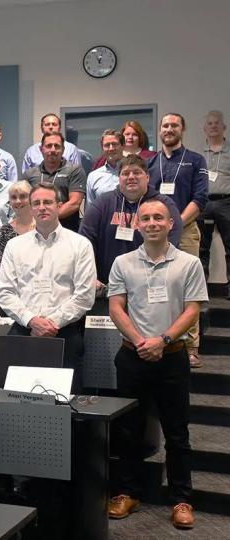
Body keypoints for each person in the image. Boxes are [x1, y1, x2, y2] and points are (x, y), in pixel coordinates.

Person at [106, 199, 206, 530]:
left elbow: (192, 310)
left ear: (170, 224)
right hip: (132, 357)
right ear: (138, 225)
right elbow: (117, 308)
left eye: (158, 218)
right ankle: (127, 493)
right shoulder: (122, 262)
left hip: (172, 357)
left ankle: (181, 499)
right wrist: (140, 342)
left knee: (177, 432)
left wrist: (161, 341)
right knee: (127, 430)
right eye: (145, 218)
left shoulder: (189, 263)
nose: (151, 223)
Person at [0, 183, 96, 392]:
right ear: (31, 208)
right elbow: (4, 292)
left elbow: (85, 295)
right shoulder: (15, 246)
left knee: (67, 405)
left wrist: (52, 324)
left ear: (59, 206)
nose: (42, 207)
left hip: (65, 333)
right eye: (37, 203)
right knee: (20, 402)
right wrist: (32, 321)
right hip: (24, 332)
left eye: (48, 202)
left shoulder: (80, 244)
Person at [147, 113, 208, 367]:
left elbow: (201, 198)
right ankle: (157, 338)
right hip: (154, 234)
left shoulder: (195, 160)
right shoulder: (151, 163)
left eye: (174, 125)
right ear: (159, 130)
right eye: (165, 125)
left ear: (182, 129)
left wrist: (176, 224)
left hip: (185, 231)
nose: (169, 129)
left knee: (188, 290)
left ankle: (191, 346)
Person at [79, 155, 182, 294]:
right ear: (119, 178)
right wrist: (89, 275)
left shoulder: (164, 204)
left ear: (147, 177)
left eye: (137, 172)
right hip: (106, 286)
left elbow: (172, 242)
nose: (131, 177)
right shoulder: (102, 203)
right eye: (125, 173)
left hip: (151, 284)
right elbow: (85, 241)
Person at [22, 133, 86, 231]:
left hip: (67, 231)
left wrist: (47, 218)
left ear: (63, 149)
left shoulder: (74, 170)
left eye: (57, 146)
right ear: (41, 149)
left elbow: (75, 203)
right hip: (36, 232)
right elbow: (25, 204)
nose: (52, 150)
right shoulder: (29, 174)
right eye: (48, 146)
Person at [201, 110, 230, 282]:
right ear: (205, 129)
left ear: (224, 127)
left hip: (226, 202)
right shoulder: (198, 154)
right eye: (210, 123)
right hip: (204, 203)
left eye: (217, 123)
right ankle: (201, 285)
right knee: (202, 246)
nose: (213, 126)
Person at [0, 181, 36, 271]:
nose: (18, 201)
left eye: (23, 196)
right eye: (13, 197)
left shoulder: (43, 227)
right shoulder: (3, 231)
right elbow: (0, 266)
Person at [92, 120, 156, 170]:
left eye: (134, 134)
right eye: (127, 134)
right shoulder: (103, 160)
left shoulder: (151, 156)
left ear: (140, 137)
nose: (130, 137)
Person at [86, 130, 125, 206]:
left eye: (114, 144)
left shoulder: (133, 171)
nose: (111, 148)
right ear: (102, 148)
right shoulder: (93, 176)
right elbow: (90, 208)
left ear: (123, 146)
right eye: (107, 145)